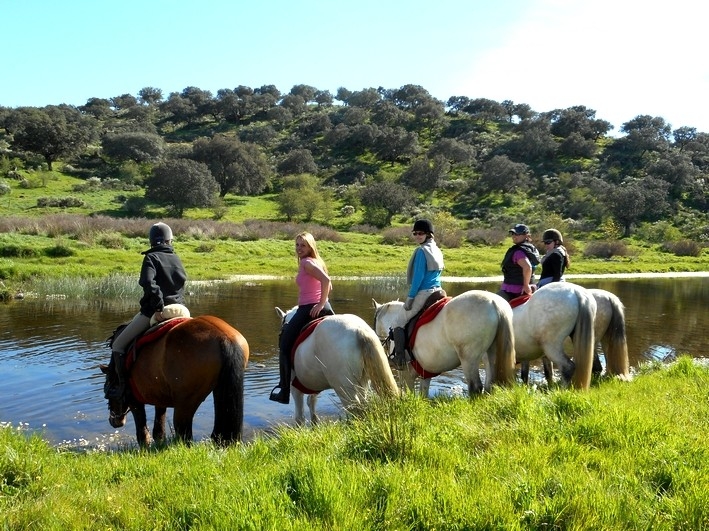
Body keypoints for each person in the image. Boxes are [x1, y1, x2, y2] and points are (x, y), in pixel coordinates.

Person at [108, 222, 187, 399]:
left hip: (159, 311)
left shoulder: (151, 258)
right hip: (182, 310)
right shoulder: (176, 258)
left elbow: (148, 283)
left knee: (118, 345)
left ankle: (122, 387)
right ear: (170, 240)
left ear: (152, 241)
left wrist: (158, 306)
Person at [269, 231, 334, 404]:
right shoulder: (317, 261)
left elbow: (326, 281)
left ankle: (284, 390)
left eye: (303, 245)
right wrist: (323, 303)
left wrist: (318, 305)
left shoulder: (306, 263)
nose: (299, 248)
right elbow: (329, 285)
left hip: (308, 309)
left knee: (284, 344)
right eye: (297, 245)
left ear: (310, 246)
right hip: (325, 307)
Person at [391, 219, 445, 366]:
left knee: (398, 323)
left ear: (428, 234)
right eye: (415, 233)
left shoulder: (422, 251)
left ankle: (400, 359)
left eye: (420, 233)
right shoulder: (437, 250)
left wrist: (410, 297)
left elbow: (418, 278)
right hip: (438, 291)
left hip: (424, 292)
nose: (417, 236)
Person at [497, 223, 540, 302]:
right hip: (531, 285)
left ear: (526, 235)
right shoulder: (531, 249)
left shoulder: (518, 252)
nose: (514, 236)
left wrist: (526, 285)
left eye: (517, 234)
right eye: (513, 234)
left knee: (493, 305)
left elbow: (527, 267)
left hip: (513, 290)